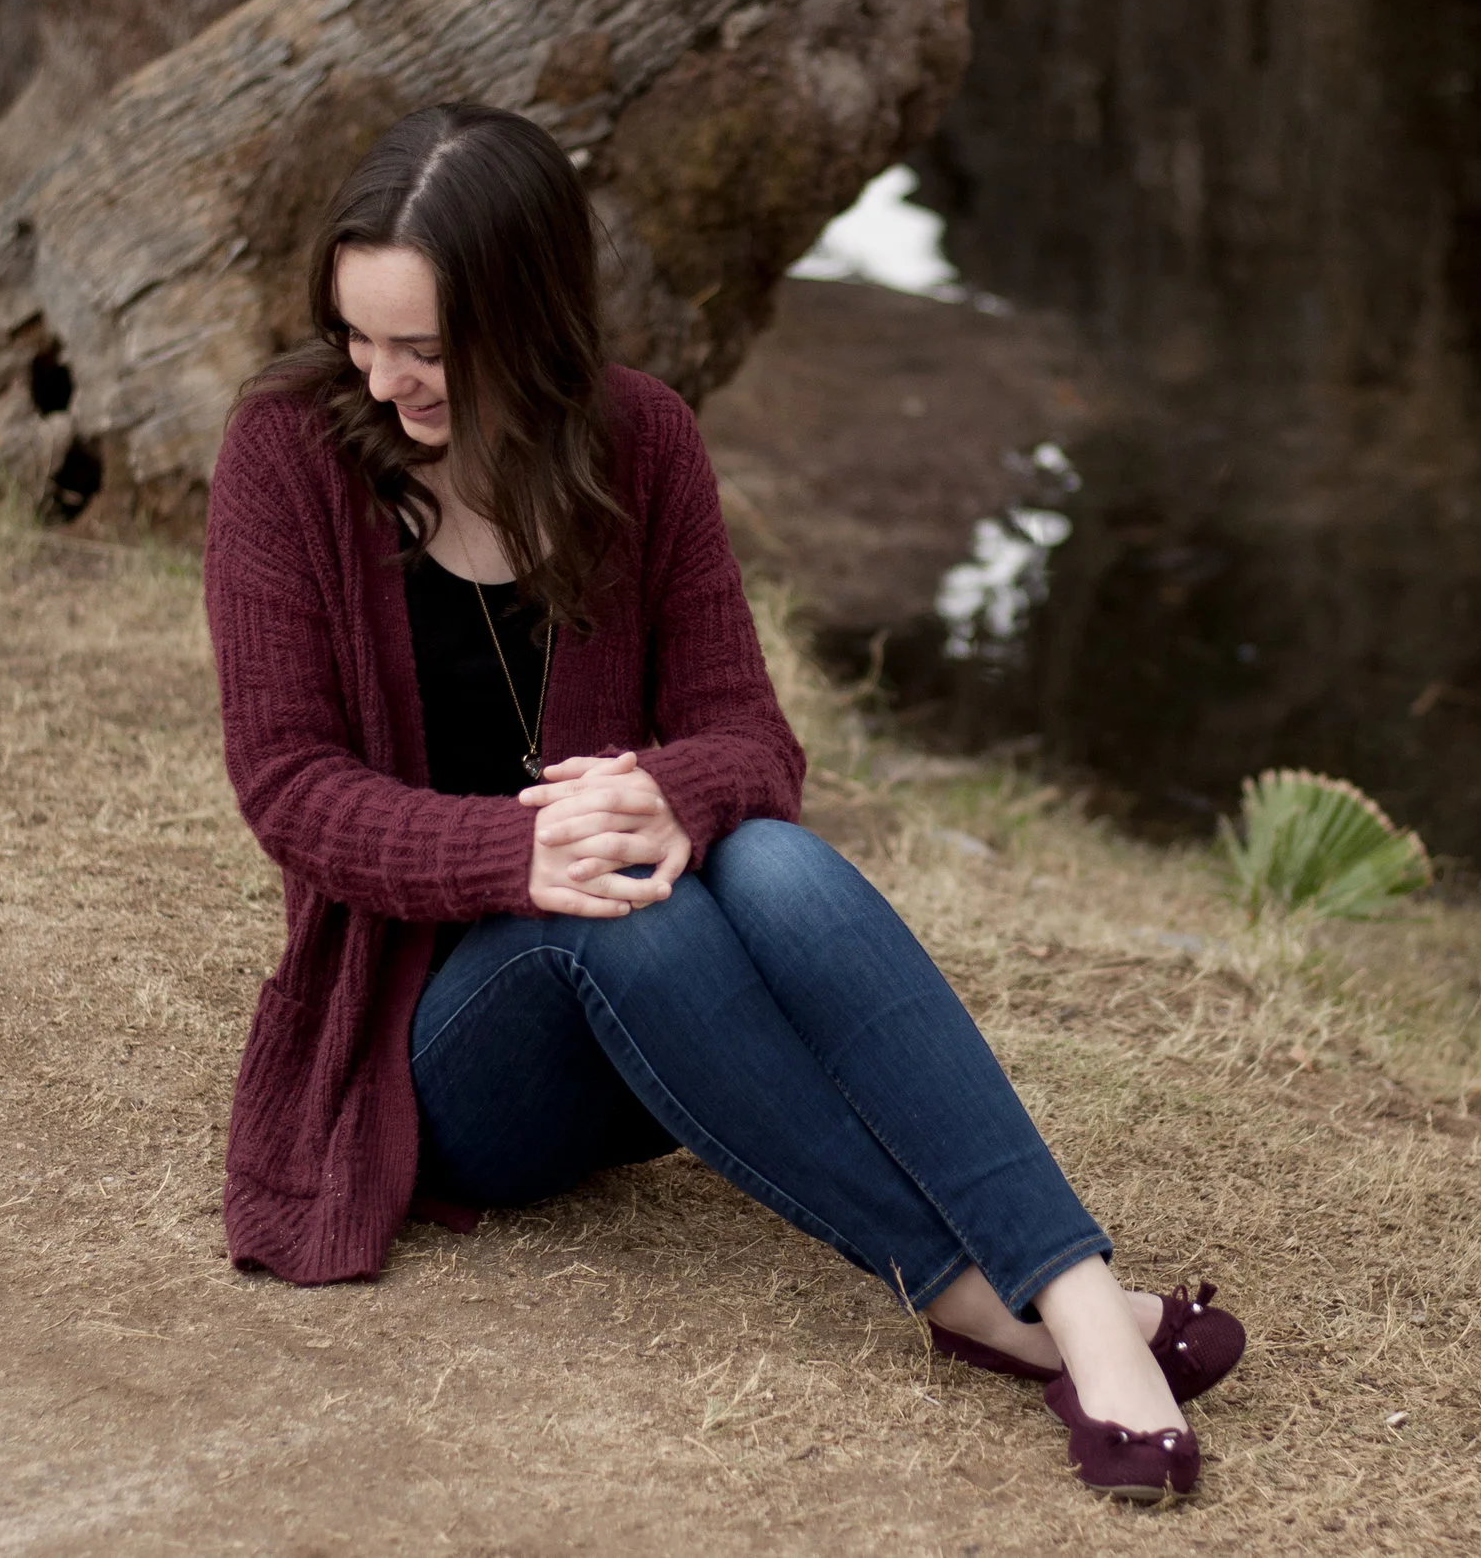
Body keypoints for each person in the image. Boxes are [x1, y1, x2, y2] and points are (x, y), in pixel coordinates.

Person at [202, 102, 1243, 1501]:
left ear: (525, 314)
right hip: (431, 1054)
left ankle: (1068, 1289)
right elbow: (288, 787)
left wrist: (668, 795)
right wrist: (518, 853)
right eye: (359, 338)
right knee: (615, 914)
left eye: (428, 350)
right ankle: (995, 1306)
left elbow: (752, 739)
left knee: (773, 863)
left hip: (660, 1029)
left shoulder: (642, 445)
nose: (386, 382)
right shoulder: (288, 454)